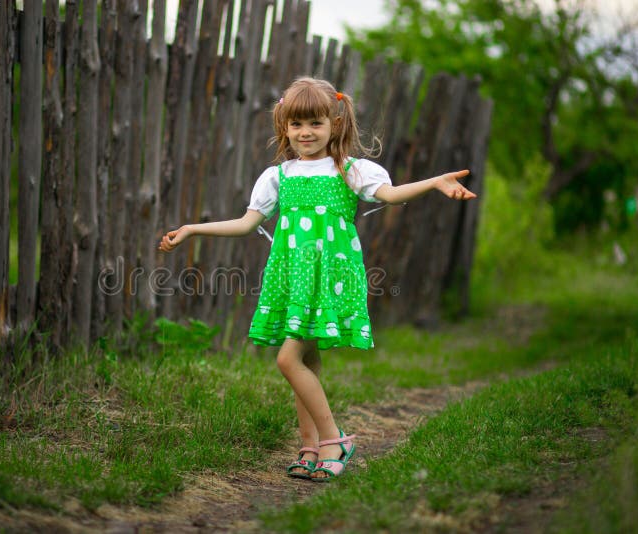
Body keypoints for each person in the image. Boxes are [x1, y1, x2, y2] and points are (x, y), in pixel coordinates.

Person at [159, 77, 476, 481]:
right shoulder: (279, 176)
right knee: (306, 359)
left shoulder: (350, 170)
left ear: (335, 123)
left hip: (330, 280)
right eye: (296, 125)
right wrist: (191, 229)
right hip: (294, 280)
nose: (305, 133)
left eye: (315, 124)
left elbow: (391, 195)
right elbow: (245, 224)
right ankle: (308, 447)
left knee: (287, 358)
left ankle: (334, 439)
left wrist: (434, 182)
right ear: (284, 127)